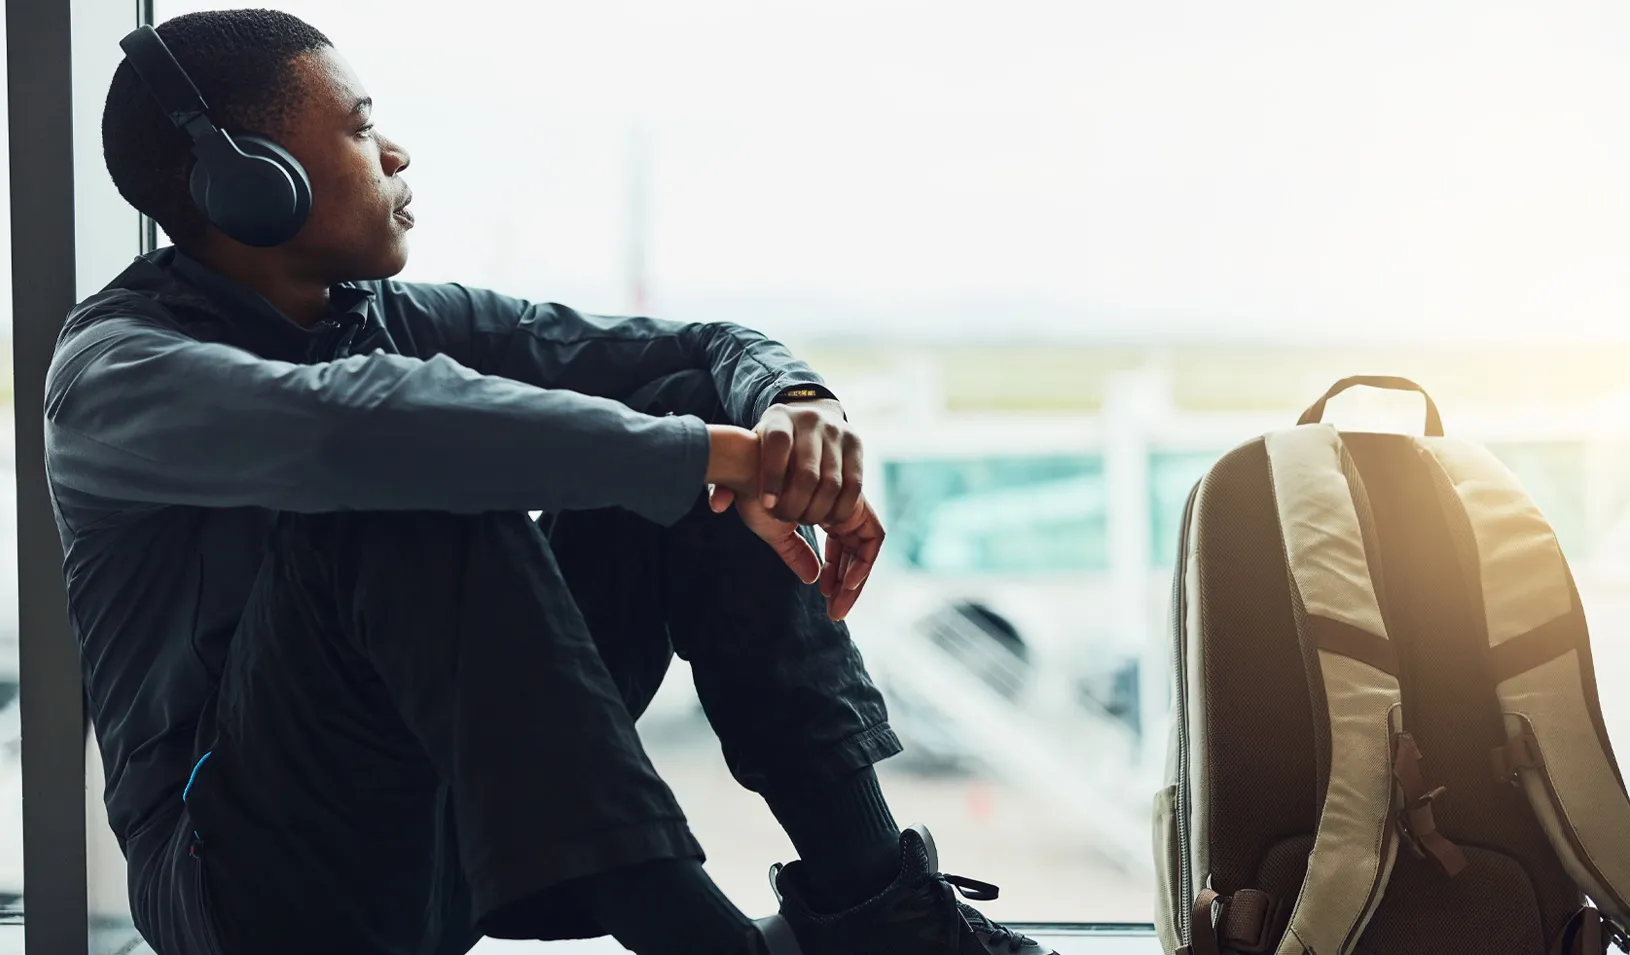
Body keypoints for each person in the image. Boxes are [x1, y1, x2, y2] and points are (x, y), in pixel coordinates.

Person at [48, 9, 1055, 955]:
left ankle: (875, 904)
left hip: (456, 838)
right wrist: (709, 455)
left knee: (682, 393)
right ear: (249, 179)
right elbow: (354, 431)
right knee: (407, 489)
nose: (397, 154)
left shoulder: (390, 316)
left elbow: (705, 345)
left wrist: (793, 406)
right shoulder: (118, 373)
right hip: (249, 891)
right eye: (361, 130)